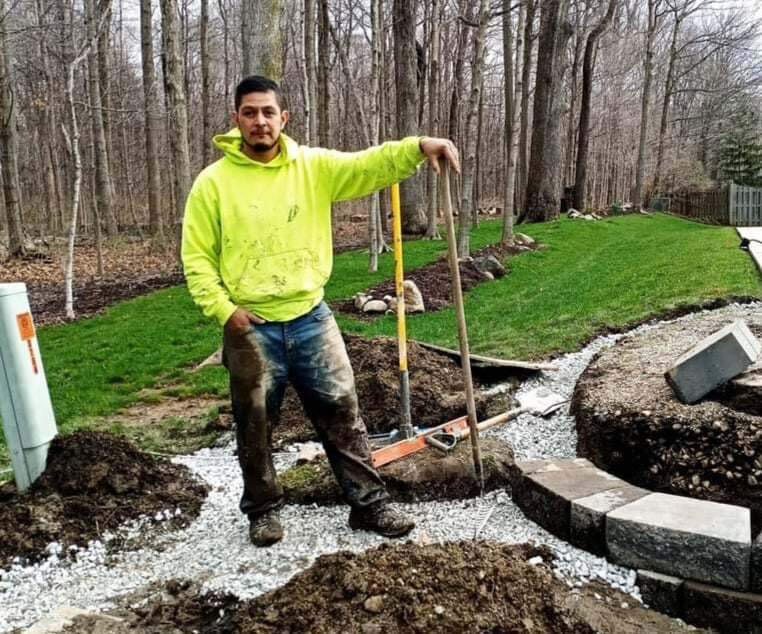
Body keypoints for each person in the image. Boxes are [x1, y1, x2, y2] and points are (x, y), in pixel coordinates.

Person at [181, 75, 460, 547]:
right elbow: (196, 258)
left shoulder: (312, 168)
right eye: (250, 113)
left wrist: (417, 146)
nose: (260, 122)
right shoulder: (213, 184)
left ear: (283, 118)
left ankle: (369, 505)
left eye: (268, 112)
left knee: (343, 414)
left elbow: (369, 165)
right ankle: (263, 511)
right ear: (236, 120)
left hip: (311, 317)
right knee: (254, 424)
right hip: (252, 326)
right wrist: (225, 310)